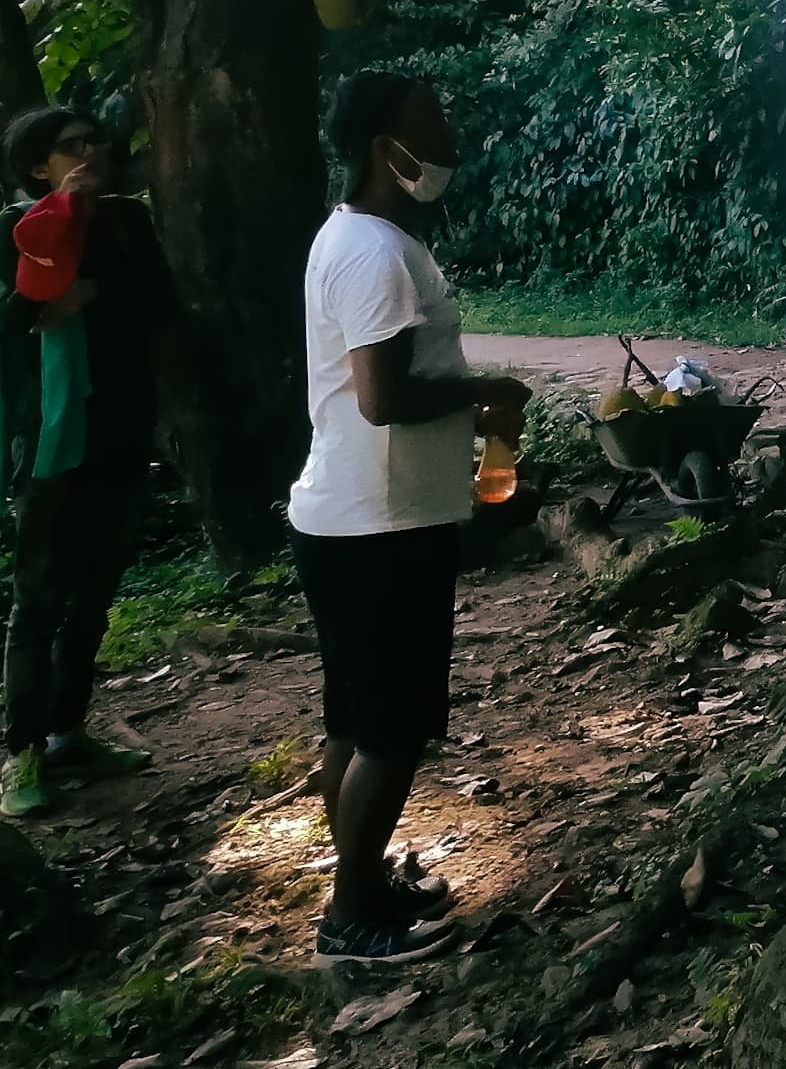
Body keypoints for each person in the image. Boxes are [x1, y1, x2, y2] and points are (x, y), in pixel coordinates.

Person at [289, 72, 534, 965]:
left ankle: (365, 882)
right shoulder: (375, 254)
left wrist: (472, 415)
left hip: (356, 518)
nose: (447, 132)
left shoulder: (360, 237)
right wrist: (488, 390)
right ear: (385, 145)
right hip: (379, 527)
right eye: (429, 118)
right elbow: (383, 397)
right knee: (391, 731)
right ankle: (350, 918)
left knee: (356, 723)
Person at [0, 108, 170, 817]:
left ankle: (70, 730)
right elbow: (10, 325)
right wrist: (37, 302)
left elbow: (163, 305)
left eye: (97, 139)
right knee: (40, 597)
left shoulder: (126, 224)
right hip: (47, 438)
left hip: (120, 432)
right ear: (40, 166)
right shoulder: (13, 230)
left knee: (95, 591)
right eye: (73, 146)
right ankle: (22, 753)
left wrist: (93, 295)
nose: (93, 151)